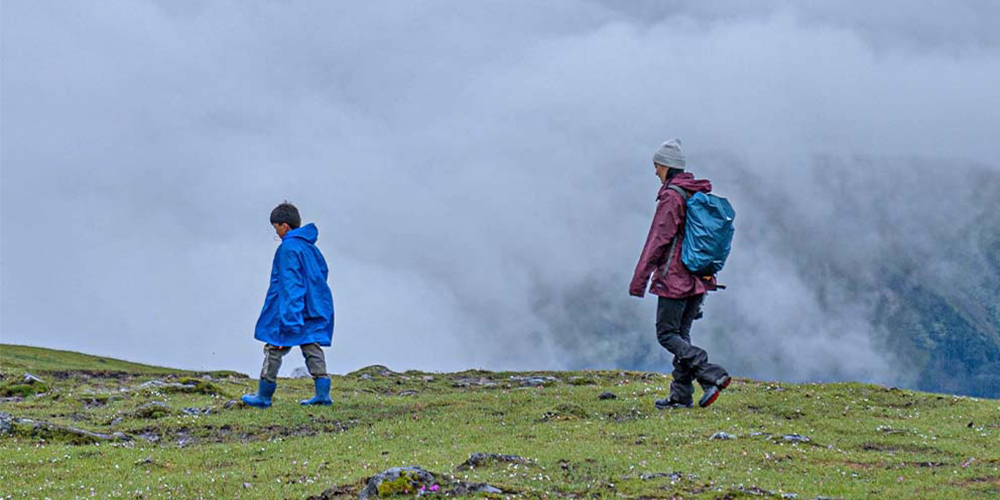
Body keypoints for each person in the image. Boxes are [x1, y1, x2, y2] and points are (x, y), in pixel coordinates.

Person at [629, 139, 730, 409]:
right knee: (681, 334)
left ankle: (710, 372)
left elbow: (657, 240)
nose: (655, 171)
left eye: (656, 165)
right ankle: (681, 396)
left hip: (676, 278)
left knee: (667, 334)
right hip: (700, 276)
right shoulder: (693, 194)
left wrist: (639, 281)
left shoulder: (672, 197)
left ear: (666, 166)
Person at [242, 202, 335, 408]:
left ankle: (263, 396)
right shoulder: (310, 247)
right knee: (311, 345)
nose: (276, 231)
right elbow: (322, 273)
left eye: (276, 227)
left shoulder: (288, 248)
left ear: (284, 226)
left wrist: (290, 317)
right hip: (313, 307)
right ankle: (322, 394)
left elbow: (291, 284)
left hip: (292, 309)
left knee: (274, 347)